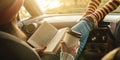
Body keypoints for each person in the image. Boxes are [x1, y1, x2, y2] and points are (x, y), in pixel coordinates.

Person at [0, 0, 79, 60]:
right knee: (73, 42)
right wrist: (67, 56)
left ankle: (88, 20)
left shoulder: (8, 47)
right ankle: (88, 20)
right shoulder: (13, 48)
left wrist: (32, 51)